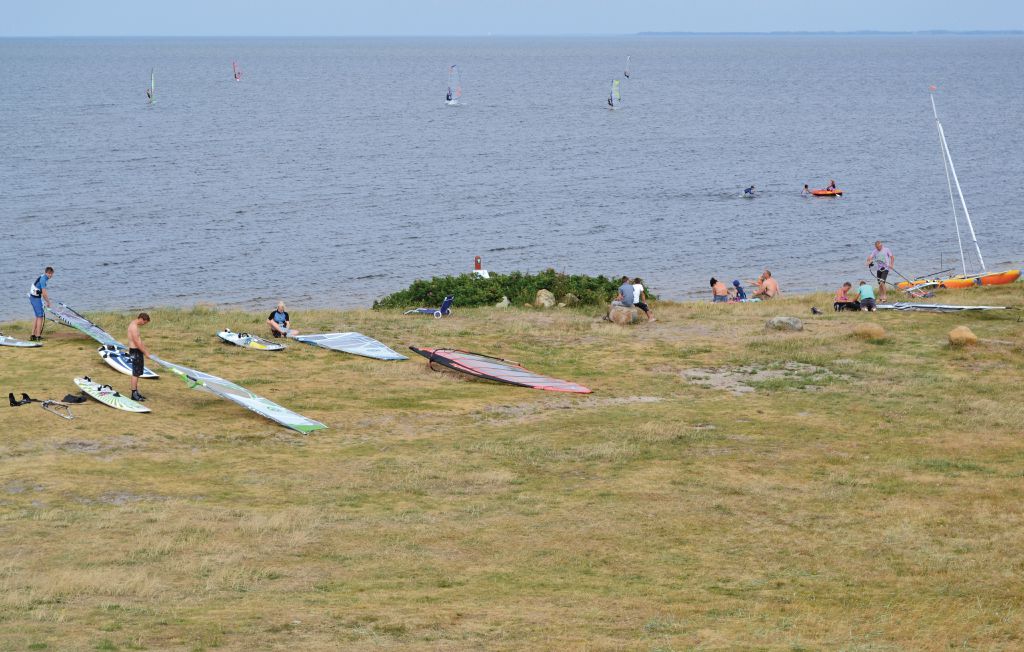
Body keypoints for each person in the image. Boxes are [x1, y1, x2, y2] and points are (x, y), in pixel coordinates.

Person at [126, 313, 152, 402]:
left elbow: (139, 341)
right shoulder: (134, 327)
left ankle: (136, 392)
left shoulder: (134, 324)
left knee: (137, 372)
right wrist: (145, 353)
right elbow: (137, 342)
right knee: (135, 373)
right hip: (135, 351)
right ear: (141, 319)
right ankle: (133, 394)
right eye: (144, 322)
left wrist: (145, 350)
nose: (144, 324)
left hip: (137, 351)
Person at [27, 266, 54, 341]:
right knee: (40, 317)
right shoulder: (43, 280)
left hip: (34, 298)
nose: (50, 275)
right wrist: (48, 302)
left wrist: (43, 298)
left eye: (51, 274)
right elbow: (44, 293)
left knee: (37, 316)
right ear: (45, 273)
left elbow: (40, 291)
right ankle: (38, 336)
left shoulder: (43, 277)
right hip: (35, 299)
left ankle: (33, 335)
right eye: (49, 273)